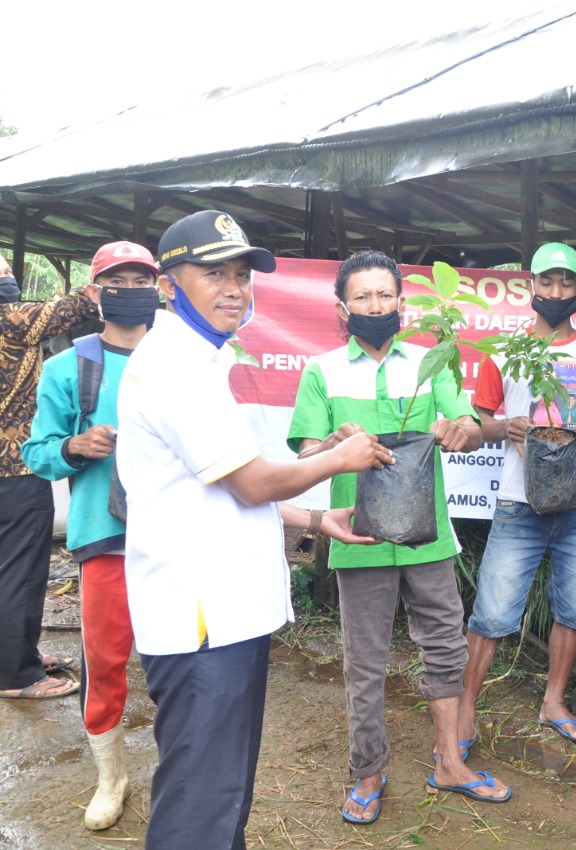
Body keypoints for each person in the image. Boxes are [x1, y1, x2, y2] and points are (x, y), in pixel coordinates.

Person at [116, 210, 393, 850]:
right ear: (170, 283)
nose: (235, 287)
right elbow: (252, 483)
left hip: (223, 612)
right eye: (214, 273)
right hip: (202, 620)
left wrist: (319, 517)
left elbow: (223, 486)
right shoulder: (176, 367)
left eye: (242, 274)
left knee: (221, 795)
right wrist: (338, 459)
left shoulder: (201, 359)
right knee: (202, 805)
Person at [288, 249, 507, 817]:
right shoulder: (323, 371)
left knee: (444, 647)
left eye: (384, 294)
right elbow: (307, 451)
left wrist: (463, 429)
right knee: (364, 660)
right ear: (342, 307)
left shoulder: (431, 364)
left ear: (402, 303)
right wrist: (333, 445)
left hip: (428, 535)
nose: (375, 305)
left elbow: (472, 428)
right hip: (356, 537)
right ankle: (368, 772)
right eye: (362, 296)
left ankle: (449, 763)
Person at [458, 241, 576, 759]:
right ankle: (464, 709)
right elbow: (478, 423)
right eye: (547, 282)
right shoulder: (503, 349)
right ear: (531, 286)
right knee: (493, 611)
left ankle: (553, 703)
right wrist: (507, 425)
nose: (556, 292)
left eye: (566, 283)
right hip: (517, 502)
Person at [21, 241, 163, 828]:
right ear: (96, 292)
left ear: (159, 287)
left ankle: (179, 767)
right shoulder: (66, 367)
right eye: (118, 280)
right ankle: (111, 776)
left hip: (177, 537)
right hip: (104, 536)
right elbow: (37, 453)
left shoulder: (181, 359)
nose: (131, 289)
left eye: (142, 278)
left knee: (179, 658)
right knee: (105, 660)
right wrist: (74, 447)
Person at [0, 253, 97, 701]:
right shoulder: (12, 318)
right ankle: (16, 674)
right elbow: (79, 305)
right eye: (4, 274)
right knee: (20, 571)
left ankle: (16, 653)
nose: (11, 278)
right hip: (16, 469)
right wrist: (101, 289)